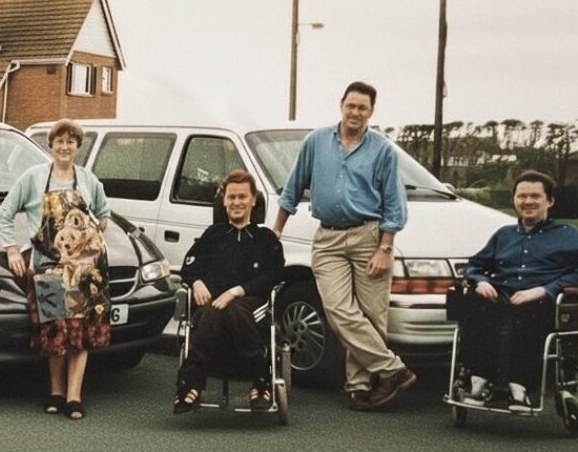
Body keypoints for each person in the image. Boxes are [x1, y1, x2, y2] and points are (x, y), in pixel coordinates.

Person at [272, 81, 413, 411]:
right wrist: (276, 229)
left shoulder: (383, 151)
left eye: (362, 108)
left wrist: (385, 248)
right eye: (351, 105)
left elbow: (394, 203)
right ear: (341, 105)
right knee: (338, 310)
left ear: (371, 112)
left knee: (371, 315)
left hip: (369, 237)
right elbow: (292, 188)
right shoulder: (316, 141)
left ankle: (360, 386)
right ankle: (394, 370)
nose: (355, 112)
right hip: (329, 239)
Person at [0, 118, 111, 421]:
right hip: (47, 269)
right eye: (59, 141)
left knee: (80, 333)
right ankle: (55, 392)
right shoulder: (33, 178)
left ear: (77, 147)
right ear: (50, 145)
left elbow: (103, 213)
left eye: (70, 142)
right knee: (55, 333)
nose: (64, 147)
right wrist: (11, 249)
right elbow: (5, 214)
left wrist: (94, 240)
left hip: (83, 272)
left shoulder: (88, 180)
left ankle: (74, 397)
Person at [460, 170, 578, 409]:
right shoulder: (503, 235)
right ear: (514, 200)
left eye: (535, 196)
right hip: (501, 297)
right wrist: (480, 281)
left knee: (524, 314)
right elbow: (475, 265)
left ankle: (520, 388)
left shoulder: (567, 235)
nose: (527, 202)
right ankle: (478, 382)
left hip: (540, 302)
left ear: (550, 201)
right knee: (473, 304)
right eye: (521, 196)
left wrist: (546, 289)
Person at [173, 170, 285, 414]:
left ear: (253, 200)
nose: (236, 202)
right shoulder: (213, 235)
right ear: (223, 201)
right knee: (212, 313)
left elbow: (276, 274)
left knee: (234, 310)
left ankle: (261, 381)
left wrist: (239, 290)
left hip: (251, 303)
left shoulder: (265, 238)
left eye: (242, 197)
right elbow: (189, 266)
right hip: (213, 305)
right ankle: (190, 385)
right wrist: (196, 282)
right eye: (231, 197)